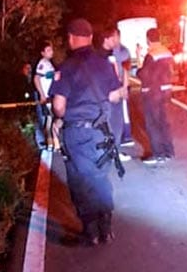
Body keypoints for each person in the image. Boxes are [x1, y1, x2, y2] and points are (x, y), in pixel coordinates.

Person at [50, 18, 125, 245]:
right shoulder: (105, 64)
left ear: (71, 39)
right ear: (91, 38)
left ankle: (91, 231)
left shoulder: (66, 67)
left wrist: (60, 119)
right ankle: (106, 225)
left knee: (80, 180)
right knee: (100, 176)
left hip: (78, 133)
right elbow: (115, 95)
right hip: (102, 130)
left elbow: (58, 106)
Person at [138, 28, 175, 165]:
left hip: (153, 93)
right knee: (164, 123)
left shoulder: (151, 55)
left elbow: (144, 75)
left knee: (152, 124)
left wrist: (139, 68)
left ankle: (158, 154)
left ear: (148, 39)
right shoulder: (167, 52)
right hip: (166, 91)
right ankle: (168, 151)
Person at [100, 26, 133, 161]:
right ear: (107, 38)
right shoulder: (99, 54)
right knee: (107, 121)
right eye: (113, 37)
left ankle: (115, 149)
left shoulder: (123, 51)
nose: (116, 40)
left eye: (117, 37)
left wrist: (124, 87)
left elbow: (126, 69)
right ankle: (109, 151)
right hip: (105, 92)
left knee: (117, 122)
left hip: (118, 89)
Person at [34, 40, 58, 151]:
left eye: (51, 49)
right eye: (48, 50)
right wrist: (42, 95)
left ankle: (53, 143)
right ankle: (50, 144)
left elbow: (47, 77)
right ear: (42, 52)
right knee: (49, 120)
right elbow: (37, 78)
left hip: (51, 96)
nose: (51, 52)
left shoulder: (48, 64)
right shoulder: (43, 63)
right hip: (47, 97)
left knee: (51, 119)